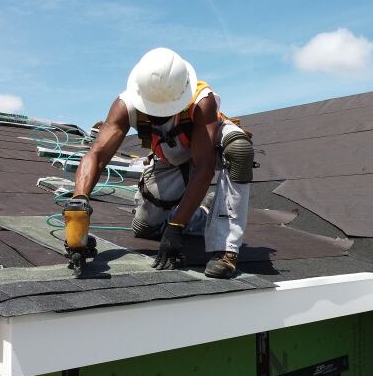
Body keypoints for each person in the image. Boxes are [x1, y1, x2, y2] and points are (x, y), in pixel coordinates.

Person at [66, 47, 253, 279]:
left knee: (239, 150)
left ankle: (225, 249)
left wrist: (176, 227)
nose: (158, 115)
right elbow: (97, 155)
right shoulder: (126, 106)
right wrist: (79, 204)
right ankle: (200, 213)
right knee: (144, 228)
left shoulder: (201, 101)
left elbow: (203, 168)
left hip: (208, 148)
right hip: (172, 159)